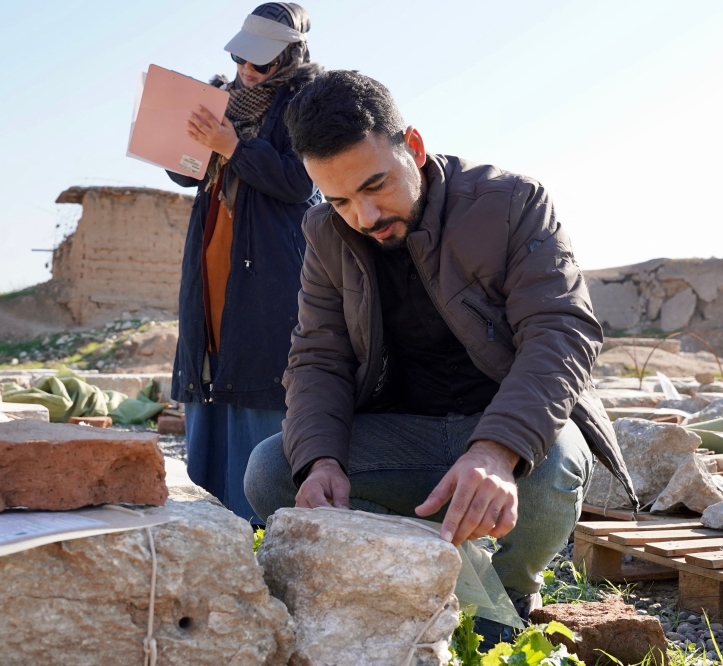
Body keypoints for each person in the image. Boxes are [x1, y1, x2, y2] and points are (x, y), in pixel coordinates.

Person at [244, 70, 638, 644]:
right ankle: (426, 576)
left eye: (376, 185)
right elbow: (317, 358)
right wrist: (320, 462)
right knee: (275, 468)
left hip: (501, 429)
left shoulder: (511, 202)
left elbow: (561, 331)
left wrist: (499, 451)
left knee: (551, 466)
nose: (365, 216)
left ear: (416, 147)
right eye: (340, 200)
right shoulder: (326, 233)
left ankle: (507, 601)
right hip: (403, 436)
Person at [166, 3, 321, 525]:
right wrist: (181, 140)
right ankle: (212, 518)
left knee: (258, 373)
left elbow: (302, 183)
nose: (248, 71)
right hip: (213, 261)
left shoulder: (309, 103)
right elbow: (188, 176)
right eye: (241, 59)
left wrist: (232, 146)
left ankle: (260, 520)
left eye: (261, 62)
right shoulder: (220, 99)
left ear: (291, 56)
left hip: (270, 268)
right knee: (210, 365)